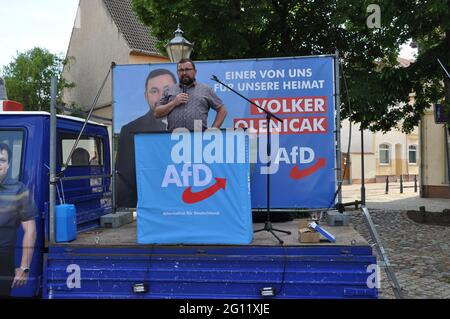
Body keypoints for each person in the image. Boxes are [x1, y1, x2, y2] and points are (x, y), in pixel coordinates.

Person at [115, 69, 176, 208]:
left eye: (167, 89)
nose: (161, 96)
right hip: (150, 205)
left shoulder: (191, 126)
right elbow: (126, 178)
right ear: (146, 96)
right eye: (154, 91)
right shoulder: (130, 130)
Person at [0, 143, 37, 296]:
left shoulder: (19, 190)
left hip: (3, 262)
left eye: (2, 160)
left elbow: (30, 230)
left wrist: (24, 267)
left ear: (8, 165)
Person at [154, 58, 227, 131]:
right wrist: (174, 103)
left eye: (187, 69)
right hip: (172, 137)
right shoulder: (169, 90)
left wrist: (213, 130)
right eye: (181, 70)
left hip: (198, 137)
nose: (184, 73)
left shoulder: (206, 90)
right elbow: (157, 113)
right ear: (177, 72)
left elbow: (222, 110)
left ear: (195, 72)